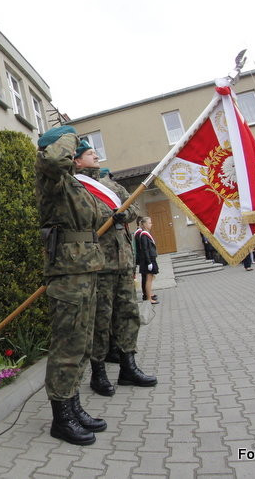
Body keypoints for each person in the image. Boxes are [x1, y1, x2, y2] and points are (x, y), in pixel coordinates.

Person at [35, 128, 111, 446]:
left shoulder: (73, 183)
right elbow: (55, 157)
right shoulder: (49, 173)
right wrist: (68, 134)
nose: (78, 150)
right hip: (67, 274)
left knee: (81, 345)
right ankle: (61, 418)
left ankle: (73, 406)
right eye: (74, 147)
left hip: (86, 269)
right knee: (67, 346)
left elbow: (98, 216)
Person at [81, 164, 156, 398]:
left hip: (123, 262)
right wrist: (105, 218)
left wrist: (127, 215)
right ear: (77, 160)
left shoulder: (112, 185)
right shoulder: (76, 186)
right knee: (100, 320)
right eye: (89, 153)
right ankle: (98, 372)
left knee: (128, 314)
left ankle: (128, 367)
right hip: (99, 264)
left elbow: (133, 207)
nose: (95, 155)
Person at [134, 217, 159, 303]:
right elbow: (144, 249)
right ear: (144, 224)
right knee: (147, 279)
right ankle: (147, 296)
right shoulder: (142, 234)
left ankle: (149, 295)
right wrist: (148, 262)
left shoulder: (145, 234)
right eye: (149, 223)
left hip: (149, 259)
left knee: (149, 278)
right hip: (146, 260)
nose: (151, 224)